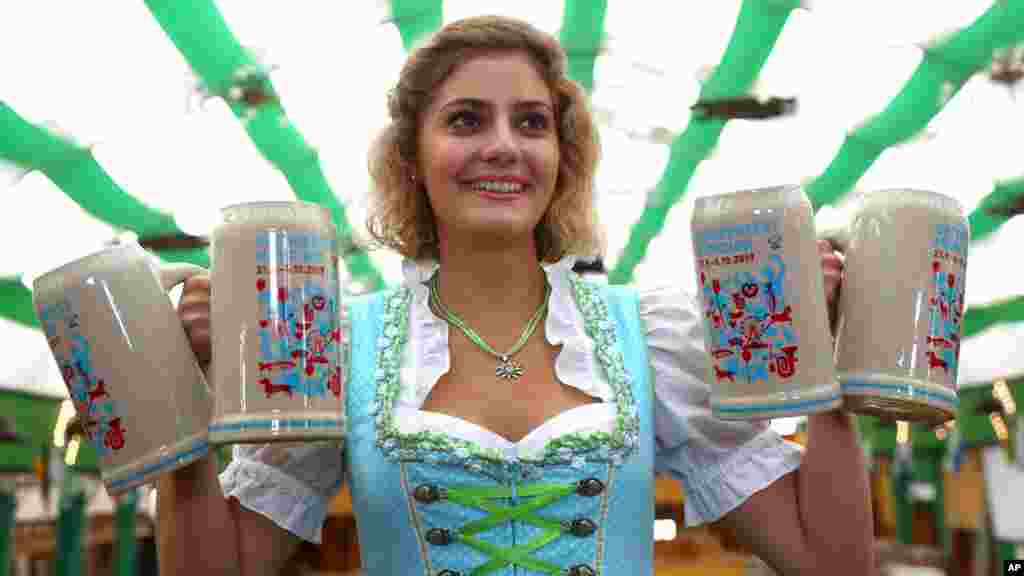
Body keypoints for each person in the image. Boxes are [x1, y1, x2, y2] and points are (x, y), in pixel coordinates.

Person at [170, 15, 874, 575]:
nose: (504, 146)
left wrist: (827, 360)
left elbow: (832, 564)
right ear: (411, 159)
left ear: (562, 158)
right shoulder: (338, 347)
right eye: (466, 120)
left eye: (532, 122)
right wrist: (181, 392)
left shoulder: (651, 339)